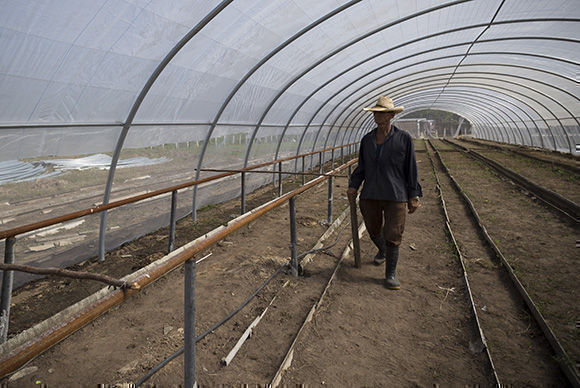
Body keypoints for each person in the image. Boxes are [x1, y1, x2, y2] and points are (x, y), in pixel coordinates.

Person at [347, 96, 422, 290]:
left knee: (393, 234)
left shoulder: (403, 138)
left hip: (395, 195)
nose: (376, 115)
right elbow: (361, 167)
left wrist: (413, 195)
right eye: (374, 112)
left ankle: (390, 274)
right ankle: (382, 250)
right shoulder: (367, 140)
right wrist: (353, 185)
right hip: (370, 193)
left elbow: (410, 168)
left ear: (390, 115)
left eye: (380, 113)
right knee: (373, 229)